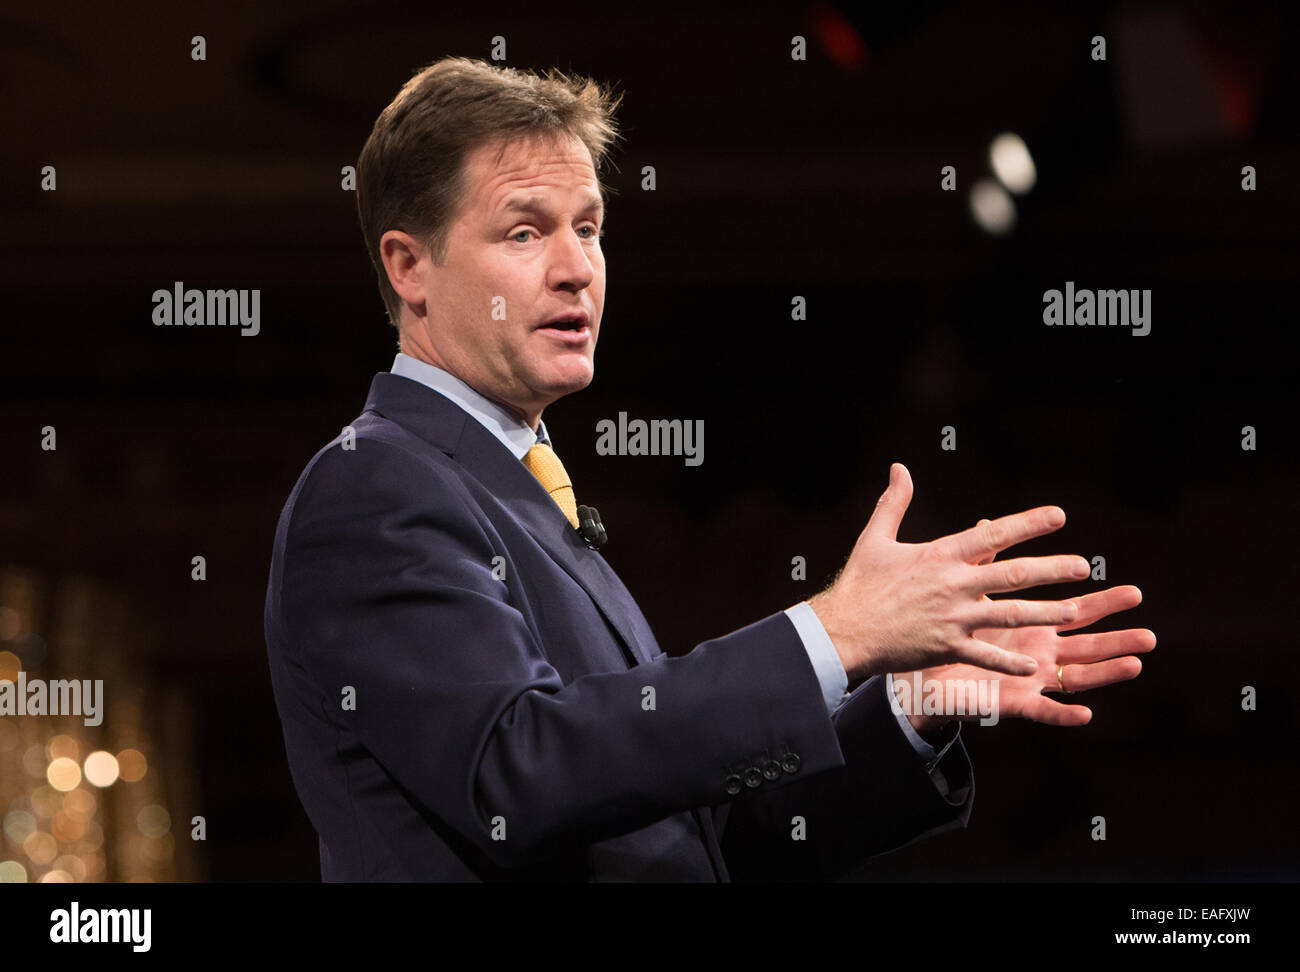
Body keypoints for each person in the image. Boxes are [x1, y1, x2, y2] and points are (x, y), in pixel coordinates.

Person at [263, 57, 1155, 881]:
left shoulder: (521, 492)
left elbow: (702, 843)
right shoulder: (374, 486)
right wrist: (834, 634)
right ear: (409, 266)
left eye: (589, 228)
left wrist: (909, 707)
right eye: (525, 232)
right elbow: (516, 772)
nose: (578, 269)